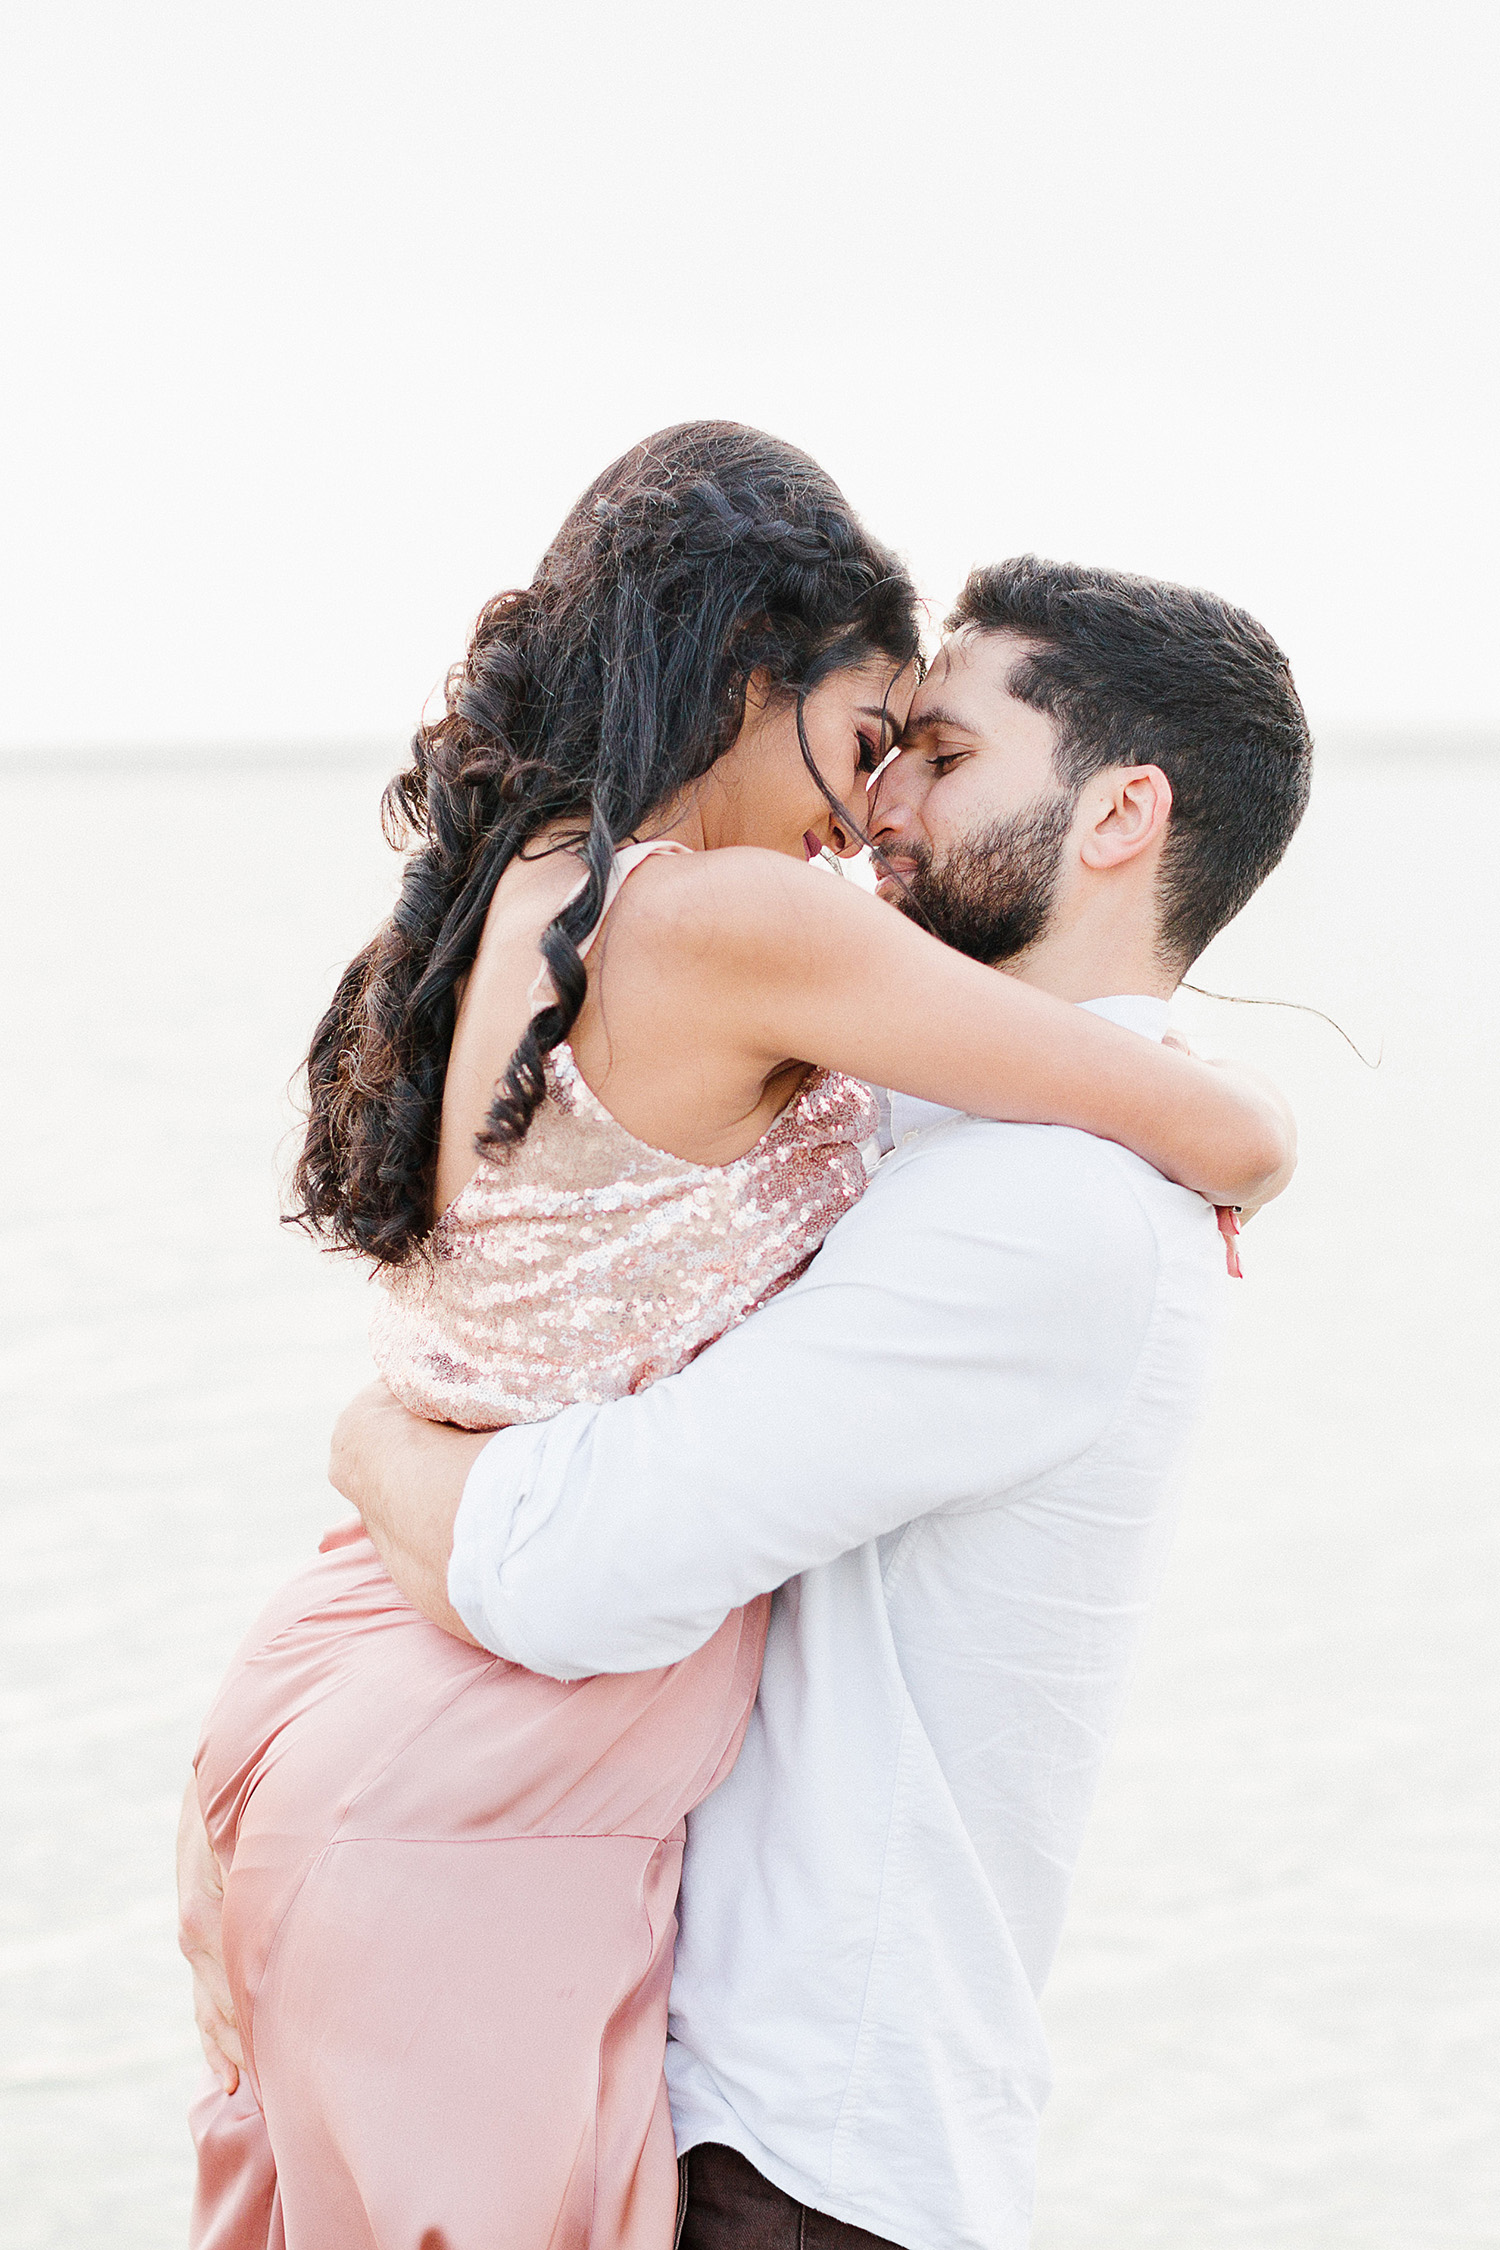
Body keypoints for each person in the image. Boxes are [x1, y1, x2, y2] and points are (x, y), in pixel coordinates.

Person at [179, 431, 1295, 2250]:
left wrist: (370, 1456)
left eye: (938, 757)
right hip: (511, 1821)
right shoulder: (789, 983)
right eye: (881, 746)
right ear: (748, 680)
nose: (881, 817)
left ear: (1120, 814)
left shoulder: (1020, 1185)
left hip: (492, 1815)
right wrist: (1252, 1139)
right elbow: (581, 1572)